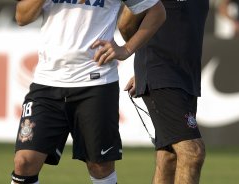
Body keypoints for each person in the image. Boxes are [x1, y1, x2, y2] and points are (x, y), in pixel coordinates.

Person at [11, 0, 166, 184]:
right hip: (47, 83)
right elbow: (21, 17)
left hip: (96, 83)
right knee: (24, 162)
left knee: (100, 167)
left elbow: (157, 12)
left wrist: (126, 49)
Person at [119, 0, 209, 183]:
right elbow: (126, 24)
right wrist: (146, 63)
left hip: (186, 76)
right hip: (160, 70)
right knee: (193, 152)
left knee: (168, 156)